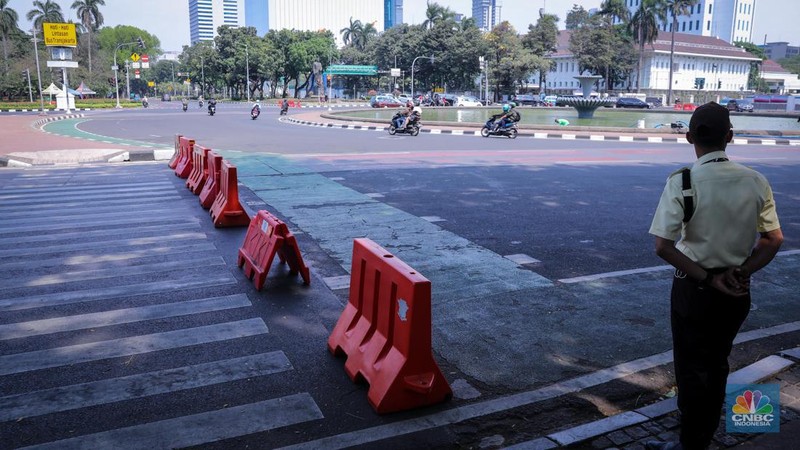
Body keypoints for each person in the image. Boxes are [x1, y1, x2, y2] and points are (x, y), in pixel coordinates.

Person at [646, 102, 783, 450]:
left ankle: (692, 442)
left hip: (693, 288)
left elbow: (663, 246)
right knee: (718, 361)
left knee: (691, 368)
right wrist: (742, 270)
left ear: (689, 137)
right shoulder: (755, 180)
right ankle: (704, 435)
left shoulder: (683, 181)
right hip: (737, 289)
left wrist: (708, 279)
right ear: (730, 136)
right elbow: (773, 239)